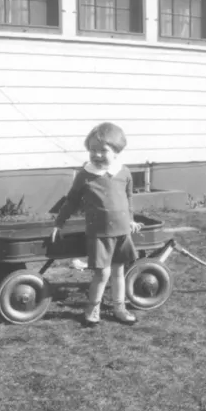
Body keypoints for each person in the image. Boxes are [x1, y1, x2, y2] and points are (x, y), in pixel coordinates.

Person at [52, 122, 142, 326]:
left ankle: (120, 307)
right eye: (93, 150)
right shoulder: (85, 175)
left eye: (104, 150)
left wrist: (131, 219)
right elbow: (72, 200)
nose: (98, 155)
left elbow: (128, 199)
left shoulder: (124, 172)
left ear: (117, 152)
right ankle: (93, 308)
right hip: (99, 235)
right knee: (103, 273)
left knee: (119, 271)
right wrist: (59, 223)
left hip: (121, 232)